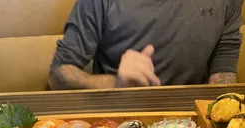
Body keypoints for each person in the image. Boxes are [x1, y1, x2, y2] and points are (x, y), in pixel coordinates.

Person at [49, 0, 243, 90]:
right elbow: (59, 74)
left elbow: (223, 65)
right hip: (119, 117)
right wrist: (116, 83)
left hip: (192, 120)